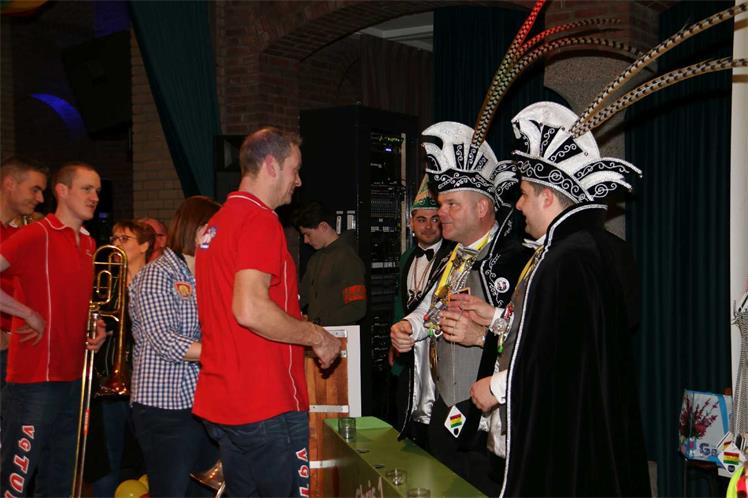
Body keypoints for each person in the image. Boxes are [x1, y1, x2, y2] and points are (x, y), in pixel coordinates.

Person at [492, 101, 650, 496]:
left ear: (547, 197)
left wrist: (495, 387)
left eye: (524, 194)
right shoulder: (591, 248)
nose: (518, 205)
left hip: (574, 450)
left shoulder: (564, 261)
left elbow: (547, 369)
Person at [193, 127, 341, 498]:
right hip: (264, 402)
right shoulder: (259, 219)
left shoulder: (216, 224)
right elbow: (250, 309)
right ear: (272, 165)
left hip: (224, 399)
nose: (298, 181)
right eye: (295, 170)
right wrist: (317, 336)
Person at [390, 122, 531, 495]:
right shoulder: (453, 256)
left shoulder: (514, 261)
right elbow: (429, 307)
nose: (441, 213)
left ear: (482, 207)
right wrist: (409, 328)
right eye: (441, 204)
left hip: (485, 418)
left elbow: (536, 344)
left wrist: (481, 335)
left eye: (451, 204)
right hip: (445, 408)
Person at [0, 162, 107, 497]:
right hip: (35, 381)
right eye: (87, 189)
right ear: (62, 191)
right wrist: (26, 313)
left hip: (73, 378)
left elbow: (74, 301)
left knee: (60, 481)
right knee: (16, 480)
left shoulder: (88, 244)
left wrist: (96, 326)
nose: (95, 197)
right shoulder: (36, 234)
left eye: (97, 191)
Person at [128, 197, 220, 497]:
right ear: (199, 230)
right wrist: (223, 352)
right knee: (171, 490)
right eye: (218, 230)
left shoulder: (204, 275)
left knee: (203, 492)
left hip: (198, 404)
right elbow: (165, 340)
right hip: (162, 408)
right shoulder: (157, 274)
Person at [88, 220, 155, 497]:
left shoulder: (154, 284)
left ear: (145, 246)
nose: (116, 244)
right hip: (109, 382)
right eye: (114, 238)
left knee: (151, 453)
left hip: (147, 384)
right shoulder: (104, 285)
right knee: (107, 455)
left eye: (124, 239)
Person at [391, 176, 455, 449]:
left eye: (434, 219)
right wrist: (395, 340)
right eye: (421, 220)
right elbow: (400, 303)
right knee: (406, 415)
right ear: (410, 223)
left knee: (434, 423)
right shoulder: (406, 257)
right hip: (408, 347)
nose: (428, 226)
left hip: (436, 354)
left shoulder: (452, 257)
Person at [0, 157, 48, 389]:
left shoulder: (16, 234)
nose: (40, 199)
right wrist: (27, 314)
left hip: (15, 347)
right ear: (10, 184)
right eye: (34, 189)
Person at [294, 200, 366, 325]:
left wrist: (319, 321)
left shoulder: (347, 258)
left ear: (323, 227)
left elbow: (357, 308)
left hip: (338, 334)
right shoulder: (315, 259)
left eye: (308, 234)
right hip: (318, 332)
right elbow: (303, 295)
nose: (305, 240)